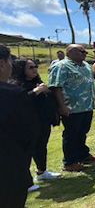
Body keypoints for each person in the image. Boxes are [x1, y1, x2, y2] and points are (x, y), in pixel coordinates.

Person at [49, 44, 95, 171]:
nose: (85, 53)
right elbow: (56, 88)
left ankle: (83, 154)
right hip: (71, 107)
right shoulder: (61, 66)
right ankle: (69, 162)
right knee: (71, 134)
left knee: (82, 132)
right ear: (70, 52)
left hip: (86, 106)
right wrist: (62, 107)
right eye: (81, 51)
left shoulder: (85, 66)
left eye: (85, 51)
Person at [12, 59, 61, 191]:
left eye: (35, 67)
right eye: (30, 68)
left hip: (42, 122)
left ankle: (42, 172)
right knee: (28, 151)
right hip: (28, 124)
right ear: (22, 70)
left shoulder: (37, 81)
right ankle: (25, 182)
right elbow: (21, 101)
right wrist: (36, 91)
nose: (34, 69)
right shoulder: (17, 85)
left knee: (41, 147)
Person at [0, 44, 37, 208]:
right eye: (9, 62)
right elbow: (29, 132)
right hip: (8, 169)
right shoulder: (13, 94)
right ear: (2, 64)